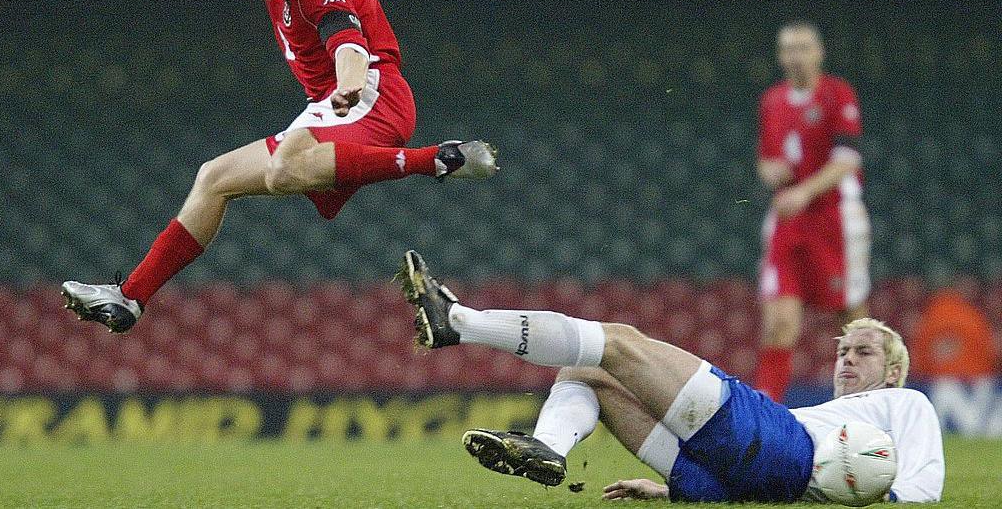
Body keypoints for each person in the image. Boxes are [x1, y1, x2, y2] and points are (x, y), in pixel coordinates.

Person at [61, 0, 497, 333]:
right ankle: (130, 298)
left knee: (284, 168)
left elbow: (347, 41)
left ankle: (436, 159)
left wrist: (348, 85)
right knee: (213, 178)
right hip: (329, 106)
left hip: (373, 100)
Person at [396, 250, 944, 503]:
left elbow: (923, 491)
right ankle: (547, 446)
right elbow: (773, 484)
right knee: (587, 369)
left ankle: (459, 323)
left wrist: (879, 497)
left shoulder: (907, 405)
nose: (847, 358)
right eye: (842, 348)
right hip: (727, 483)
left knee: (619, 341)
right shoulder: (831, 417)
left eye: (865, 352)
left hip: (776, 445)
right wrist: (664, 493)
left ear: (895, 370)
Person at [755, 20, 872, 402]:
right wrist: (769, 171)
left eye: (803, 48)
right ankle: (765, 419)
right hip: (788, 222)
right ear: (780, 56)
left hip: (834, 219)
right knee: (779, 325)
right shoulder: (772, 101)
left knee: (852, 319)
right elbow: (766, 159)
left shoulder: (837, 95)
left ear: (819, 53)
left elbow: (847, 159)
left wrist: (804, 191)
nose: (796, 56)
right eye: (788, 49)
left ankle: (877, 402)